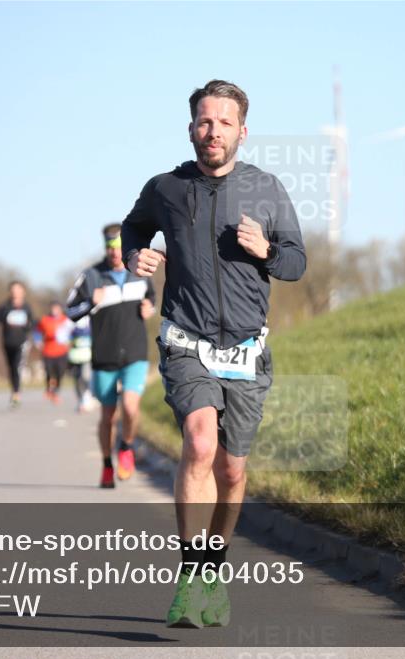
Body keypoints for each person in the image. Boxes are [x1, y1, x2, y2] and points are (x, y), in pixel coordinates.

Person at [121, 80, 305, 627]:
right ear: (191, 128)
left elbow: (296, 263)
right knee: (200, 443)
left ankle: (213, 570)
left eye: (224, 123)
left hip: (247, 351)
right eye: (204, 121)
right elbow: (133, 227)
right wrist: (137, 255)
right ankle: (188, 572)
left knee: (232, 469)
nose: (213, 132)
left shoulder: (267, 189)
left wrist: (265, 249)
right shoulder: (166, 188)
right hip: (187, 341)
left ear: (242, 131)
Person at [67, 224, 157, 489]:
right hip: (104, 356)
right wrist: (90, 302)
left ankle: (126, 447)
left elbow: (151, 296)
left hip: (135, 352)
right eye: (109, 247)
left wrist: (149, 306)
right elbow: (70, 312)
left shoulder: (139, 272)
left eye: (118, 247)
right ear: (104, 247)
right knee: (108, 416)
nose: (114, 252)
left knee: (130, 406)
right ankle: (107, 464)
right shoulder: (91, 276)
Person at [0, 281, 34, 408]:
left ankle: (16, 393)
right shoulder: (5, 306)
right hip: (8, 342)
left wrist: (29, 327)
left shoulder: (27, 307)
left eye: (18, 289)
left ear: (23, 291)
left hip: (22, 342)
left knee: (17, 366)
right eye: (13, 290)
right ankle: (14, 390)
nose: (15, 292)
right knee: (11, 368)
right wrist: (1, 316)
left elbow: (32, 323)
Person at [36, 302, 74, 404]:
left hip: (62, 351)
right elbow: (37, 331)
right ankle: (49, 388)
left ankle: (55, 392)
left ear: (60, 309)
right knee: (48, 371)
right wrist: (38, 340)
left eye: (57, 308)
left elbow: (72, 333)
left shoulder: (66, 320)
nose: (54, 310)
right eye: (53, 308)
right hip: (48, 351)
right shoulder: (45, 320)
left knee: (60, 372)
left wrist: (71, 342)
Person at [67, 315, 94, 413]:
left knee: (86, 377)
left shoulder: (90, 321)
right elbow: (67, 339)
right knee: (77, 380)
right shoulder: (71, 321)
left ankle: (87, 398)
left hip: (87, 357)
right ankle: (80, 400)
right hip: (74, 357)